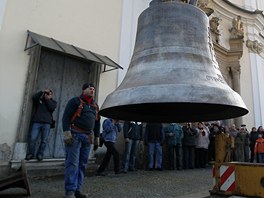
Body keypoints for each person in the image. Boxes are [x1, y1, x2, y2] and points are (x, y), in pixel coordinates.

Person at [62, 83, 100, 198]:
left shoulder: (95, 105)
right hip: (75, 135)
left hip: (87, 138)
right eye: (90, 88)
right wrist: (67, 133)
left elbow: (97, 122)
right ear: (84, 90)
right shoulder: (74, 101)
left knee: (82, 164)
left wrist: (97, 137)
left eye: (93, 89)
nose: (92, 90)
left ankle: (77, 190)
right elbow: (66, 117)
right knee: (72, 163)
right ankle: (70, 191)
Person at [26, 89, 57, 161]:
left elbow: (51, 108)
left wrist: (48, 99)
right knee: (32, 138)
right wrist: (42, 91)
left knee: (44, 140)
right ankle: (31, 154)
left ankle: (40, 154)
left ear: (51, 95)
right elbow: (34, 97)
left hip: (47, 123)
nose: (47, 94)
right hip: (37, 122)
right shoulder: (40, 100)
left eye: (49, 94)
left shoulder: (53, 102)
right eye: (47, 93)